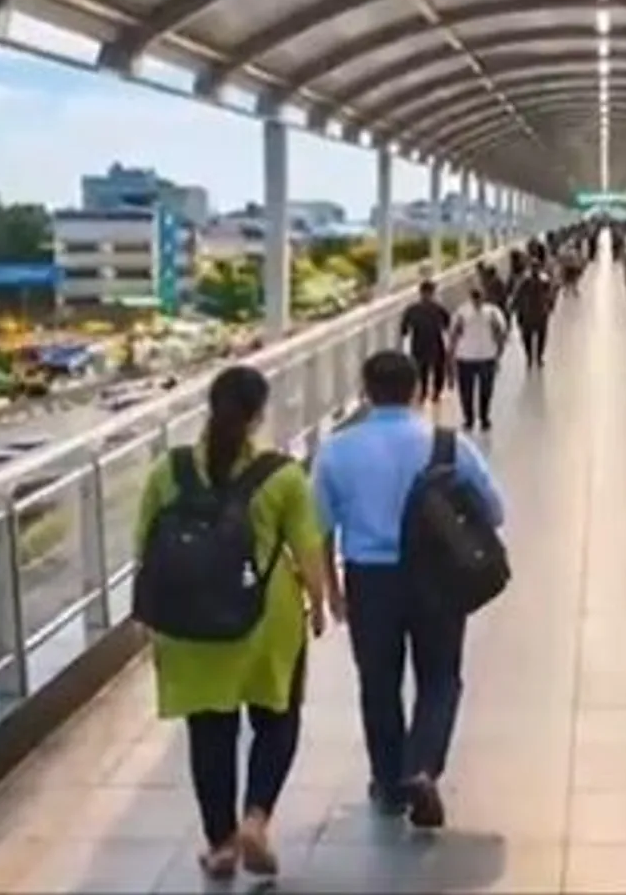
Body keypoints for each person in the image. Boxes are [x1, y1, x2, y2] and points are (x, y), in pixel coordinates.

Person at [132, 365, 333, 881]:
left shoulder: (167, 472)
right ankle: (256, 818)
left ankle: (220, 845)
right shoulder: (282, 476)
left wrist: (149, 620)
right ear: (259, 415)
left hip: (188, 627)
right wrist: (321, 604)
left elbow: (145, 550)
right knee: (277, 719)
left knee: (209, 731)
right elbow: (308, 549)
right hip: (267, 621)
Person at [312, 350, 506, 830]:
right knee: (440, 676)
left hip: (370, 579)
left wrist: (333, 593)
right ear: (418, 388)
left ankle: (388, 781)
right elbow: (496, 511)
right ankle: (422, 766)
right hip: (439, 578)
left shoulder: (337, 449)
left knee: (378, 682)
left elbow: (319, 526)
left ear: (365, 389)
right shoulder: (449, 445)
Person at [447, 286, 507, 431]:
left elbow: (454, 336)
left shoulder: (462, 312)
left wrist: (450, 356)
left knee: (468, 390)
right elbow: (500, 334)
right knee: (483, 390)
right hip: (484, 356)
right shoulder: (492, 312)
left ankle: (470, 419)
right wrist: (499, 353)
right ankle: (482, 418)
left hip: (468, 357)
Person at [399, 280, 450, 404]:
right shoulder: (438, 309)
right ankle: (432, 392)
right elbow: (447, 324)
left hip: (421, 343)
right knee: (432, 369)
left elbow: (404, 328)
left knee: (426, 369)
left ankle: (428, 392)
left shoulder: (412, 310)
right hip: (434, 343)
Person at [509, 263, 554, 369]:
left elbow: (550, 294)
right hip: (529, 313)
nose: (535, 270)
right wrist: (514, 307)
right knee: (527, 337)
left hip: (539, 313)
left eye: (536, 268)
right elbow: (518, 295)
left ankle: (538, 357)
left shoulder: (544, 281)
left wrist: (550, 305)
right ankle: (530, 357)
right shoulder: (525, 282)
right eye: (533, 268)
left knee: (540, 337)